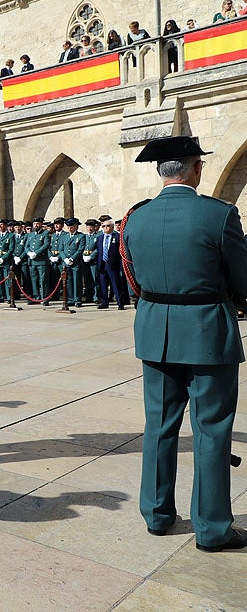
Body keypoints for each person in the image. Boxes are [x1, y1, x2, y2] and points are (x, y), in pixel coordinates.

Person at [123, 135, 247, 552]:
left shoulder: (135, 218)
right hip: (207, 328)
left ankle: (157, 515)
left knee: (159, 425)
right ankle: (211, 529)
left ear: (162, 171)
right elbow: (242, 278)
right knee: (211, 430)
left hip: (155, 327)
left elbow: (134, 276)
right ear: (194, 167)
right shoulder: (219, 214)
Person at [96, 220, 127, 309]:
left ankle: (120, 303)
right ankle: (105, 302)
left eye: (107, 226)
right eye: (104, 226)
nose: (105, 227)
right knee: (103, 284)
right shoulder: (100, 238)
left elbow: (120, 252)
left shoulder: (117, 237)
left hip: (113, 264)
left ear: (112, 227)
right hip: (102, 264)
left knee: (115, 284)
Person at [23, 218, 51, 305]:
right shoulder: (30, 235)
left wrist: (36, 253)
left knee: (43, 280)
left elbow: (46, 245)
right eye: (34, 224)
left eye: (37, 224)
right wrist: (29, 253)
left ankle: (44, 298)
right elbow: (26, 246)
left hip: (41, 261)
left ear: (41, 224)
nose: (35, 225)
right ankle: (36, 297)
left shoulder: (45, 233)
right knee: (34, 280)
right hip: (32, 261)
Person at [60, 218, 85, 307]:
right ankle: (70, 299)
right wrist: (65, 259)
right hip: (66, 263)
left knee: (77, 281)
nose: (70, 229)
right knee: (68, 281)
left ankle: (77, 299)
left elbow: (80, 249)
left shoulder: (81, 236)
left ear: (76, 227)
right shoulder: (64, 237)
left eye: (72, 227)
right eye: (68, 227)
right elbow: (61, 249)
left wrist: (72, 259)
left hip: (76, 262)